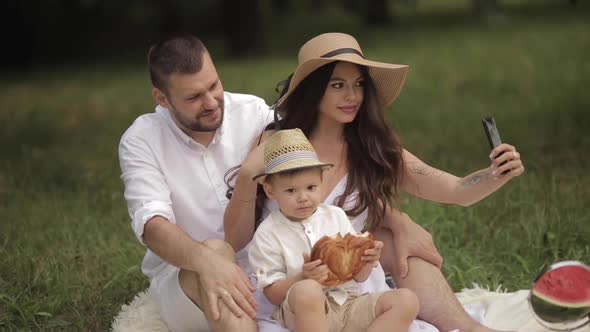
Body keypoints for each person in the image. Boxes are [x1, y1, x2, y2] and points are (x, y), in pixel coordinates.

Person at [224, 32, 525, 332]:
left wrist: (495, 173)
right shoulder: (281, 142)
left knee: (399, 245)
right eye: (338, 85)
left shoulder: (372, 145)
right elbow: (235, 239)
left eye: (358, 85)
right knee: (312, 293)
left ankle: (468, 328)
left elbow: (455, 190)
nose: (351, 96)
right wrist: (250, 173)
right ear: (314, 90)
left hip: (348, 289)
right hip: (286, 289)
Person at [118, 33, 276, 331]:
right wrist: (208, 261)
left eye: (214, 85)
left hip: (268, 267)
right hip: (186, 280)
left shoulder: (254, 113)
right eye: (193, 97)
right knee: (217, 252)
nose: (211, 102)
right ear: (162, 99)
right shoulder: (141, 140)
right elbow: (152, 225)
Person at [248, 128, 419, 332]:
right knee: (307, 290)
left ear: (321, 181)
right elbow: (272, 294)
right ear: (270, 191)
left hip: (348, 303)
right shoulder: (268, 233)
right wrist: (303, 277)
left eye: (310, 187)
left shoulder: (335, 216)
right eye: (291, 190)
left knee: (406, 300)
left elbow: (358, 277)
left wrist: (366, 260)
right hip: (303, 311)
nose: (303, 197)